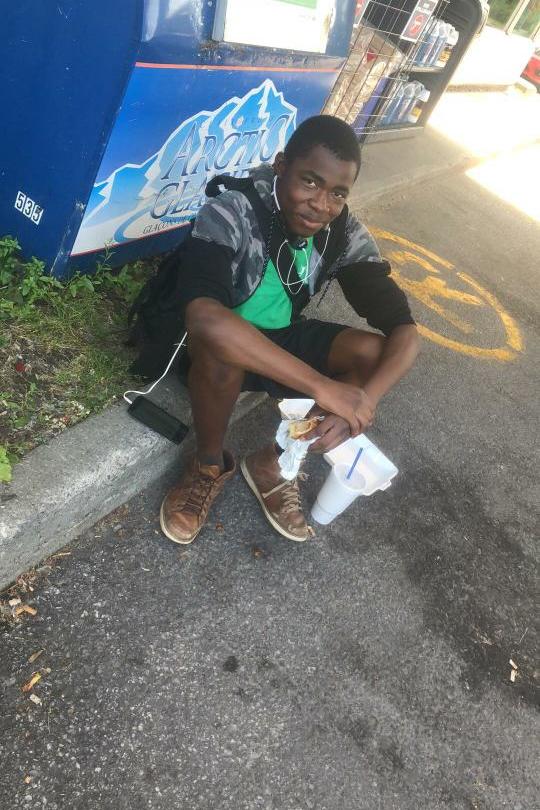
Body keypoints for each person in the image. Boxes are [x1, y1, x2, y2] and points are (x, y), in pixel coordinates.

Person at [159, 115, 420, 545]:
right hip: (213, 348)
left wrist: (362, 401)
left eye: (337, 193)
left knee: (375, 354)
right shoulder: (232, 211)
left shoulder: (341, 232)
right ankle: (207, 465)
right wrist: (324, 388)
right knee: (221, 345)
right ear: (281, 166)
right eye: (310, 182)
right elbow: (204, 317)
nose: (321, 204)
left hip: (277, 340)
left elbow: (406, 332)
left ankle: (276, 463)